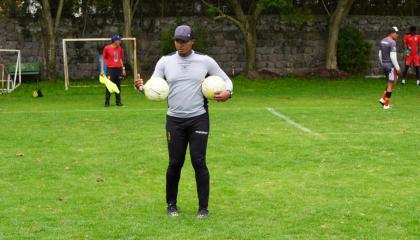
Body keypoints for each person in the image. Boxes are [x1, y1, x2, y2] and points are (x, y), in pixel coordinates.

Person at [135, 25, 233, 218]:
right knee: (175, 163)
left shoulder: (205, 61)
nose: (179, 44)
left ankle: (203, 208)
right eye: (177, 41)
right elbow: (154, 87)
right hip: (174, 120)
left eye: (183, 41)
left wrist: (228, 92)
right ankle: (171, 205)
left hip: (198, 119)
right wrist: (141, 87)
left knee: (199, 161)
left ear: (192, 41)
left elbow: (226, 80)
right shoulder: (165, 62)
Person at [378, 26, 401, 110]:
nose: (397, 35)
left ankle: (382, 99)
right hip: (390, 66)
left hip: (384, 64)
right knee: (391, 85)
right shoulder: (392, 42)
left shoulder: (383, 41)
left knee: (393, 81)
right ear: (392, 33)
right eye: (396, 33)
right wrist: (398, 68)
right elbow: (393, 57)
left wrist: (383, 63)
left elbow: (379, 55)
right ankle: (386, 104)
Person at [101, 35, 126, 107]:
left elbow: (120, 59)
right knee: (109, 86)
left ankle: (118, 102)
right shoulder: (107, 48)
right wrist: (102, 70)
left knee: (118, 86)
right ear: (115, 41)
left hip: (118, 69)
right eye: (119, 40)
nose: (120, 41)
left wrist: (123, 68)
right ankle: (106, 102)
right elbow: (103, 59)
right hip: (110, 70)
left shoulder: (120, 49)